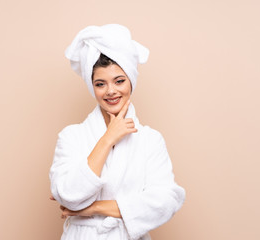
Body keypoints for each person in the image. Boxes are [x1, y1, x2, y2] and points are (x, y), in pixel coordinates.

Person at [49, 24, 185, 240]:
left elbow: (165, 202)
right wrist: (108, 138)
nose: (111, 91)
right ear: (91, 87)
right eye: (100, 84)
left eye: (119, 81)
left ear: (131, 80)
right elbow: (68, 195)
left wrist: (92, 209)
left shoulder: (150, 140)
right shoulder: (71, 136)